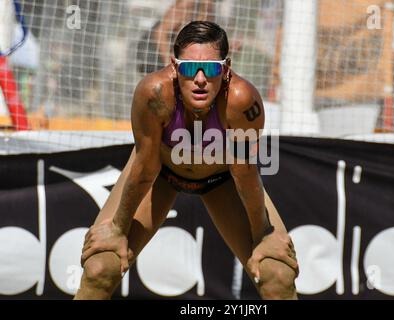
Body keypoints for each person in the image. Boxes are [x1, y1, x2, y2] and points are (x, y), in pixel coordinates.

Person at [75, 21, 299, 300]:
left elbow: (244, 174)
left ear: (226, 68)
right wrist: (118, 228)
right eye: (190, 67)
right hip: (161, 174)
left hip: (223, 179)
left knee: (277, 275)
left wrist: (263, 236)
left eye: (213, 68)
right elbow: (145, 167)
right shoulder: (154, 93)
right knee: (100, 268)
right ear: (174, 67)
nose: (201, 78)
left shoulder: (241, 100)